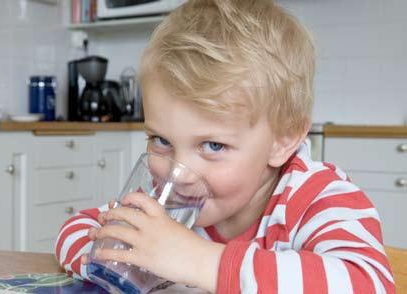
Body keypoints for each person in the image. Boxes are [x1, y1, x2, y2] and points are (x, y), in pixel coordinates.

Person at [54, 0, 395, 292]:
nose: (178, 173)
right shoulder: (167, 204)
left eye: (213, 145)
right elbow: (74, 229)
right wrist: (126, 261)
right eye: (161, 140)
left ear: (284, 139)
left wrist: (199, 261)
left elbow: (368, 283)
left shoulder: (318, 198)